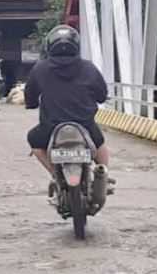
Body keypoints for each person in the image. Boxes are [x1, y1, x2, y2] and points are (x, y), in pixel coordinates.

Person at [25, 25, 110, 179]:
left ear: (49, 45)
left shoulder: (40, 68)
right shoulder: (88, 68)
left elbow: (30, 94)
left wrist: (31, 104)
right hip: (84, 124)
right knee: (99, 142)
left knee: (34, 140)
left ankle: (55, 174)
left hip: (51, 126)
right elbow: (101, 95)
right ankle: (103, 174)